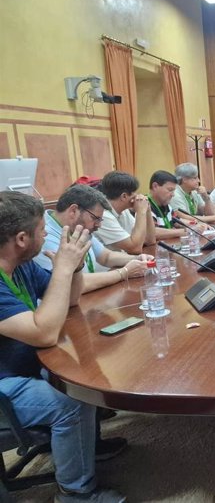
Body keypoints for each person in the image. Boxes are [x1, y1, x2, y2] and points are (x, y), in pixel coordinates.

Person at [0, 191, 126, 503]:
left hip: (28, 363)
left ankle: (87, 448)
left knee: (86, 371)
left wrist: (76, 267)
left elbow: (69, 300)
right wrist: (62, 269)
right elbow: (44, 333)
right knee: (70, 403)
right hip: (4, 383)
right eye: (42, 231)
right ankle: (75, 493)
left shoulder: (23, 265)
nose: (46, 236)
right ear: (21, 239)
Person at [33, 185, 150, 293]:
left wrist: (137, 259)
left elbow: (106, 256)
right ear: (73, 211)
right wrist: (124, 272)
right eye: (96, 218)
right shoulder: (44, 236)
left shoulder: (78, 228)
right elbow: (68, 284)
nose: (99, 225)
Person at [95, 171, 156, 254]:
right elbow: (136, 249)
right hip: (111, 266)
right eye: (135, 192)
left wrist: (147, 210)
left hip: (123, 262)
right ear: (124, 196)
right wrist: (141, 212)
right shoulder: (103, 216)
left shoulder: (124, 211)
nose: (137, 195)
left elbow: (150, 240)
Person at [147, 171, 187, 240]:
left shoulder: (166, 205)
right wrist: (185, 231)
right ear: (155, 186)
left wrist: (196, 225)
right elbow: (153, 232)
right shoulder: (144, 205)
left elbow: (177, 222)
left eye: (173, 191)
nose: (173, 194)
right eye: (170, 190)